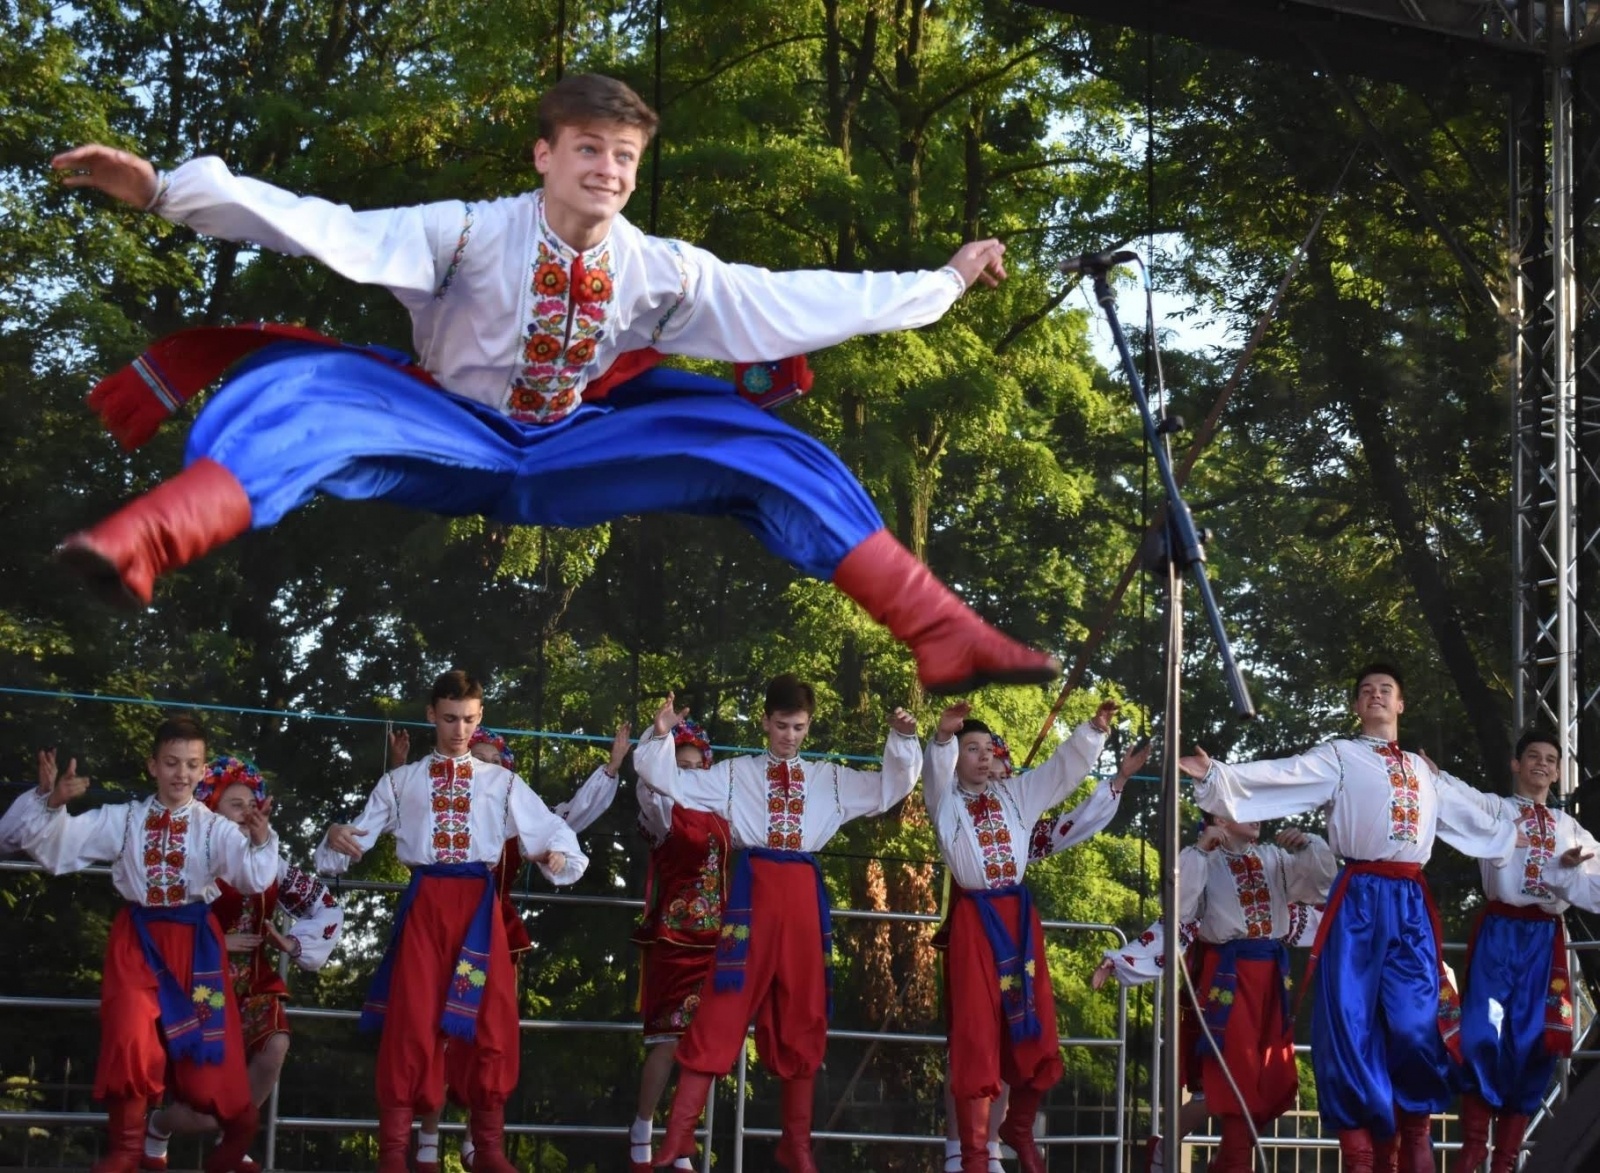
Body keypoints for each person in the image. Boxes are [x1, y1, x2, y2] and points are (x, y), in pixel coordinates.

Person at [48, 73, 1058, 696]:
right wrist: (164, 191)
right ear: (545, 155)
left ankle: (943, 634)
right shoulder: (465, 231)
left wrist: (944, 282)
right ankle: (144, 541)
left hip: (570, 445)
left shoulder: (661, 270)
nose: (608, 170)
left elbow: (794, 301)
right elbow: (322, 227)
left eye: (623, 157)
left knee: (767, 447)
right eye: (588, 150)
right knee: (295, 397)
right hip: (444, 424)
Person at [1179, 663, 1521, 1173]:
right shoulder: (1341, 756)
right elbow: (1286, 774)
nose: (1376, 696)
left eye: (1386, 689)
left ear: (1400, 704)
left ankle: (1415, 1135)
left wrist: (1542, 837)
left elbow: (1486, 818)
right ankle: (1359, 1154)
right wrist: (1219, 776)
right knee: (1350, 1022)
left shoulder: (1423, 772)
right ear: (1357, 707)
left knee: (1413, 1021)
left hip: (1408, 899)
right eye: (1366, 691)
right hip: (1360, 895)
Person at [635, 674, 921, 1171]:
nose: (790, 735)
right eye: (783, 725)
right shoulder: (735, 773)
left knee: (803, 1010)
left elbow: (889, 790)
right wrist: (660, 733)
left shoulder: (829, 778)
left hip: (803, 897)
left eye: (800, 727)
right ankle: (677, 1136)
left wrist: (901, 739)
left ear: (809, 726)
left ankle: (797, 1144)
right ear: (765, 722)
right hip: (753, 893)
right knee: (723, 1005)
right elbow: (670, 783)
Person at [314, 670, 588, 1173]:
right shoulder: (401, 782)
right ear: (430, 716)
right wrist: (333, 839)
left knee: (492, 1018)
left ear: (480, 717)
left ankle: (487, 1150)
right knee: (411, 1020)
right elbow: (351, 842)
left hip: (479, 911)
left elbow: (550, 828)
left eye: (467, 719)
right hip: (426, 906)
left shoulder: (502, 782)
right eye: (448, 719)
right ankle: (394, 1155)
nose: (458, 729)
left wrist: (558, 858)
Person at [2, 718, 278, 1173]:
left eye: (191, 764)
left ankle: (239, 1132)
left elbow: (253, 876)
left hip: (196, 949)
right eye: (171, 762)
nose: (180, 774)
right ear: (153, 765)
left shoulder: (214, 829)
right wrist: (52, 802)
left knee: (211, 1050)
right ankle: (128, 1152)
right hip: (139, 942)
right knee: (130, 1035)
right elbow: (53, 848)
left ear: (202, 768)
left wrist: (262, 837)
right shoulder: (124, 819)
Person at [923, 700, 1143, 1173]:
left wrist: (1093, 731)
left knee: (1032, 1024)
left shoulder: (1016, 798)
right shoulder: (944, 802)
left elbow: (1058, 773)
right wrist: (942, 736)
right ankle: (970, 1156)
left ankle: (1013, 1130)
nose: (983, 757)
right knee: (976, 1035)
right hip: (976, 923)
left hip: (1018, 920)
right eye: (971, 749)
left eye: (989, 749)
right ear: (955, 759)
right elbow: (935, 772)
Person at [406, 722, 625, 1173]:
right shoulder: (442, 807)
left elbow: (562, 822)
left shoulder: (512, 812)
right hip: (438, 930)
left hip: (494, 934)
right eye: (476, 757)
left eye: (491, 761)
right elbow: (405, 810)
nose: (482, 766)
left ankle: (477, 1143)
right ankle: (427, 1142)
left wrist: (611, 769)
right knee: (437, 1031)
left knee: (489, 1037)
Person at [1090, 814, 1334, 1173]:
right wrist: (1122, 960)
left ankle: (1220, 1160)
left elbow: (1322, 889)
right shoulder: (1203, 860)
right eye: (1244, 808)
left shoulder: (1275, 857)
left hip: (1270, 982)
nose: (1257, 817)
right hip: (1228, 980)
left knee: (1268, 1078)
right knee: (1234, 1077)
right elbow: (1178, 913)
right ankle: (1231, 1164)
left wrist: (1308, 845)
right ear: (1220, 816)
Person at [141, 755, 345, 1173]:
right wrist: (216, 941)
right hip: (198, 990)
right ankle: (159, 1124)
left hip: (252, 985)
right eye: (236, 804)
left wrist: (292, 943)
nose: (247, 811)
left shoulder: (272, 863)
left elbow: (325, 906)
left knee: (276, 1044)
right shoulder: (188, 861)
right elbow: (158, 926)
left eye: (252, 803)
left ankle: (235, 1135)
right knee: (201, 1112)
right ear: (210, 809)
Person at [1432, 731, 1600, 1173]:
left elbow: (1594, 880)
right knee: (1482, 1033)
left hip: (1544, 940)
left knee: (1533, 1043)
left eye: (1550, 758)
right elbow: (1456, 798)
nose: (1542, 765)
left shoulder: (1571, 829)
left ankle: (1505, 1160)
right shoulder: (1497, 810)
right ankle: (1471, 1153)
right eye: (1533, 757)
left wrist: (1567, 870)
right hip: (1500, 932)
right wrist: (1432, 776)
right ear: (1516, 764)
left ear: (1558, 770)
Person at [628, 718, 729, 1173]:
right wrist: (657, 737)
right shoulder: (660, 807)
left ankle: (681, 1139)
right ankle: (642, 1131)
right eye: (679, 765)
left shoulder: (721, 813)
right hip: (674, 934)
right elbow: (648, 782)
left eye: (694, 766)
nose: (686, 773)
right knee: (668, 1041)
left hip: (717, 940)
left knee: (703, 1045)